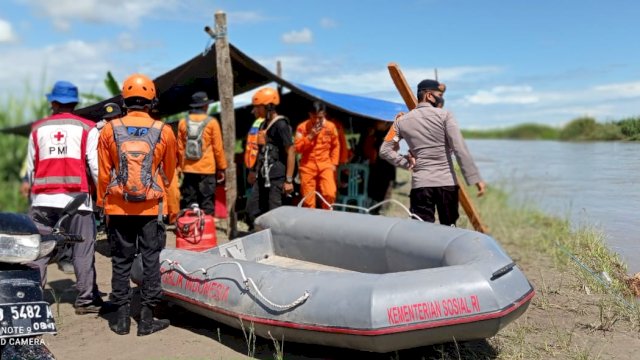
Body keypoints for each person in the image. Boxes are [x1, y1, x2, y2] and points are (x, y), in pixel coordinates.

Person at [97, 73, 176, 336]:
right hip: (150, 208)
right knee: (150, 259)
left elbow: (103, 172)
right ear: (151, 100)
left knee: (121, 259)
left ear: (124, 100)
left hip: (118, 207)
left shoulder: (109, 129)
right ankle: (147, 318)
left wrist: (103, 204)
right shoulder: (163, 130)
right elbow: (171, 170)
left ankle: (120, 320)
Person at [25, 80, 103, 314]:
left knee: (38, 251)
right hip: (77, 200)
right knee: (83, 249)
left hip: (42, 201)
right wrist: (101, 197)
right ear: (75, 103)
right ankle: (86, 300)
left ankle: (33, 299)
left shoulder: (37, 128)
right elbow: (95, 167)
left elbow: (31, 168)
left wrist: (34, 197)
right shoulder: (88, 128)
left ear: (54, 103)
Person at [379, 79, 485, 225]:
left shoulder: (401, 121)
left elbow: (385, 151)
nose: (441, 98)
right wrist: (474, 179)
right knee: (449, 230)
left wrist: (406, 162)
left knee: (422, 233)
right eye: (438, 94)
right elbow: (459, 148)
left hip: (421, 185)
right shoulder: (446, 116)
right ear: (429, 95)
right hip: (447, 184)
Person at [245, 87, 295, 226]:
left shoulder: (281, 125)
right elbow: (259, 150)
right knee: (251, 211)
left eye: (257, 107)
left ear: (269, 107)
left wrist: (289, 180)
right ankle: (258, 238)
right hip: (262, 176)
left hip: (277, 178)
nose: (254, 111)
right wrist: (253, 170)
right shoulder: (262, 124)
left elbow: (291, 151)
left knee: (275, 215)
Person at [177, 91, 226, 214]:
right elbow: (218, 148)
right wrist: (221, 168)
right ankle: (205, 230)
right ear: (204, 106)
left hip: (188, 170)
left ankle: (189, 229)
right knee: (207, 203)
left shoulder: (183, 122)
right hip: (207, 169)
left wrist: (181, 167)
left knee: (190, 204)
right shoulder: (212, 122)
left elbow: (180, 148)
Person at [294, 101, 340, 209]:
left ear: (324, 114)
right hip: (307, 166)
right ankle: (311, 223)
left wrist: (334, 164)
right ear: (309, 114)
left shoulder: (331, 127)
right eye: (314, 117)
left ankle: (327, 219)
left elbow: (336, 146)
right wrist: (310, 136)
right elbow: (297, 148)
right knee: (308, 200)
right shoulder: (302, 127)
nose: (317, 120)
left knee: (330, 194)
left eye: (320, 117)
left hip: (325, 165)